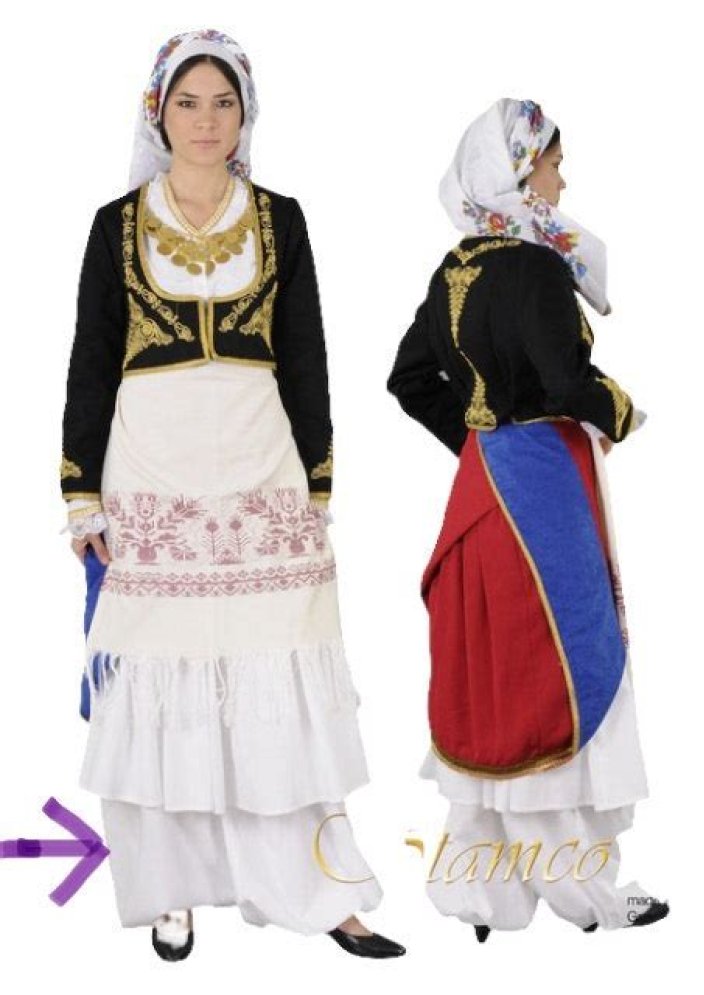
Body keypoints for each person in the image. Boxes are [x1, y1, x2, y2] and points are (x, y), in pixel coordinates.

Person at [60, 27, 405, 961]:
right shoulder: (115, 225)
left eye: (223, 103)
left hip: (262, 472)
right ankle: (170, 889)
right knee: (161, 678)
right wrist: (82, 494)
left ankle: (324, 891)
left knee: (280, 676)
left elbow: (306, 353)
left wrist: (318, 482)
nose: (206, 121)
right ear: (158, 113)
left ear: (246, 113)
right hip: (152, 473)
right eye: (187, 102)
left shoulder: (281, 218)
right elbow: (91, 363)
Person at [386, 97, 669, 938]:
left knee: (493, 672)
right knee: (558, 670)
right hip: (542, 492)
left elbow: (408, 379)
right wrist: (623, 411)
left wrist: (479, 440)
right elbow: (563, 381)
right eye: (551, 163)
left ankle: (480, 893)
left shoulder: (455, 269)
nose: (561, 180)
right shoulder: (539, 267)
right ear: (517, 170)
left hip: (481, 493)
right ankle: (587, 896)